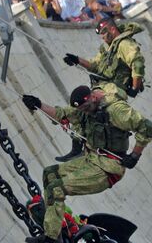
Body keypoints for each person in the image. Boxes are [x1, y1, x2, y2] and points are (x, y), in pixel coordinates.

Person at [17, 83, 152, 243]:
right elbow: (61, 114)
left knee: (56, 189)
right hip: (91, 160)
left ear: (93, 97)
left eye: (87, 107)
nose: (86, 112)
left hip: (107, 169)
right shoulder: (84, 109)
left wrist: (135, 155)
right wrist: (38, 104)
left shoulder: (116, 111)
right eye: (82, 109)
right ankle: (55, 234)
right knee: (50, 174)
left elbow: (146, 126)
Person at [59, 17, 146, 162]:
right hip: (103, 87)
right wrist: (77, 60)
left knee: (87, 112)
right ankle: (77, 146)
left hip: (113, 90)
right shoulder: (109, 48)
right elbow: (95, 65)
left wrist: (135, 88)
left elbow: (137, 62)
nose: (103, 39)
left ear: (112, 29)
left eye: (104, 34)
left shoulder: (124, 44)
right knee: (79, 110)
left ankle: (84, 147)